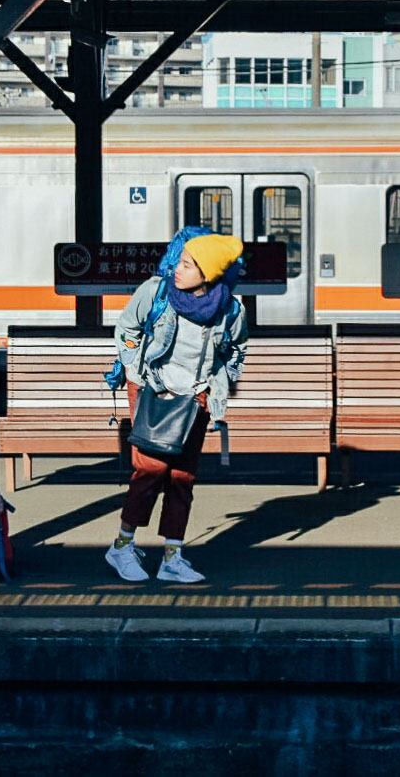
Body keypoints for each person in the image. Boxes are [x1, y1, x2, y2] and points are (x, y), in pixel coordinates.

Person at [105, 232, 248, 583]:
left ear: (209, 273)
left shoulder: (231, 309)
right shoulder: (157, 292)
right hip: (154, 391)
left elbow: (236, 350)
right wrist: (139, 375)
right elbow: (127, 328)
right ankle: (122, 546)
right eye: (179, 261)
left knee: (183, 478)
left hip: (195, 399)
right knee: (149, 472)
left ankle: (172, 556)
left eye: (187, 264)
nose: (176, 269)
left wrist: (217, 388)